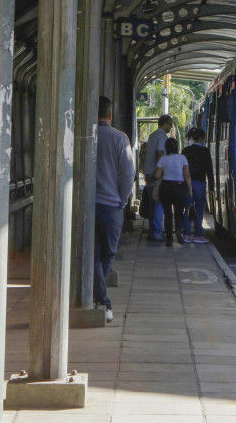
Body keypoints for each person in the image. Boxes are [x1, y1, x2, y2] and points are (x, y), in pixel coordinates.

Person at [94, 96, 136, 323]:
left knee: (92, 255)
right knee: (107, 253)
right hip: (111, 207)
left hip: (86, 206)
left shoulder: (84, 136)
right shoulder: (120, 139)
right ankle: (102, 301)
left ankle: (97, 296)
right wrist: (122, 201)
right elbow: (128, 174)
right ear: (110, 115)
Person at [154, 137, 192, 246]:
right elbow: (187, 175)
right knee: (179, 213)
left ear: (166, 147)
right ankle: (178, 231)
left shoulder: (163, 159)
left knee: (168, 214)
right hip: (179, 188)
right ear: (177, 147)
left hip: (166, 188)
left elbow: (157, 175)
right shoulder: (182, 158)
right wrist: (190, 189)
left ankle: (169, 239)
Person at [142, 114, 173, 241]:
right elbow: (160, 153)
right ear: (164, 124)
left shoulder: (152, 135)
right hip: (156, 173)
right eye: (170, 124)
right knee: (158, 202)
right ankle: (157, 232)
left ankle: (152, 231)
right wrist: (162, 171)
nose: (171, 127)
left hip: (148, 171)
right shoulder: (161, 136)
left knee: (152, 203)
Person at [182, 127, 215, 243]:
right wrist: (211, 187)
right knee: (199, 209)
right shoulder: (205, 151)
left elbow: (182, 167)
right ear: (201, 139)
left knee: (187, 208)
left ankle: (186, 235)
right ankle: (197, 235)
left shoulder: (186, 151)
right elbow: (209, 170)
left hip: (187, 184)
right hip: (200, 183)